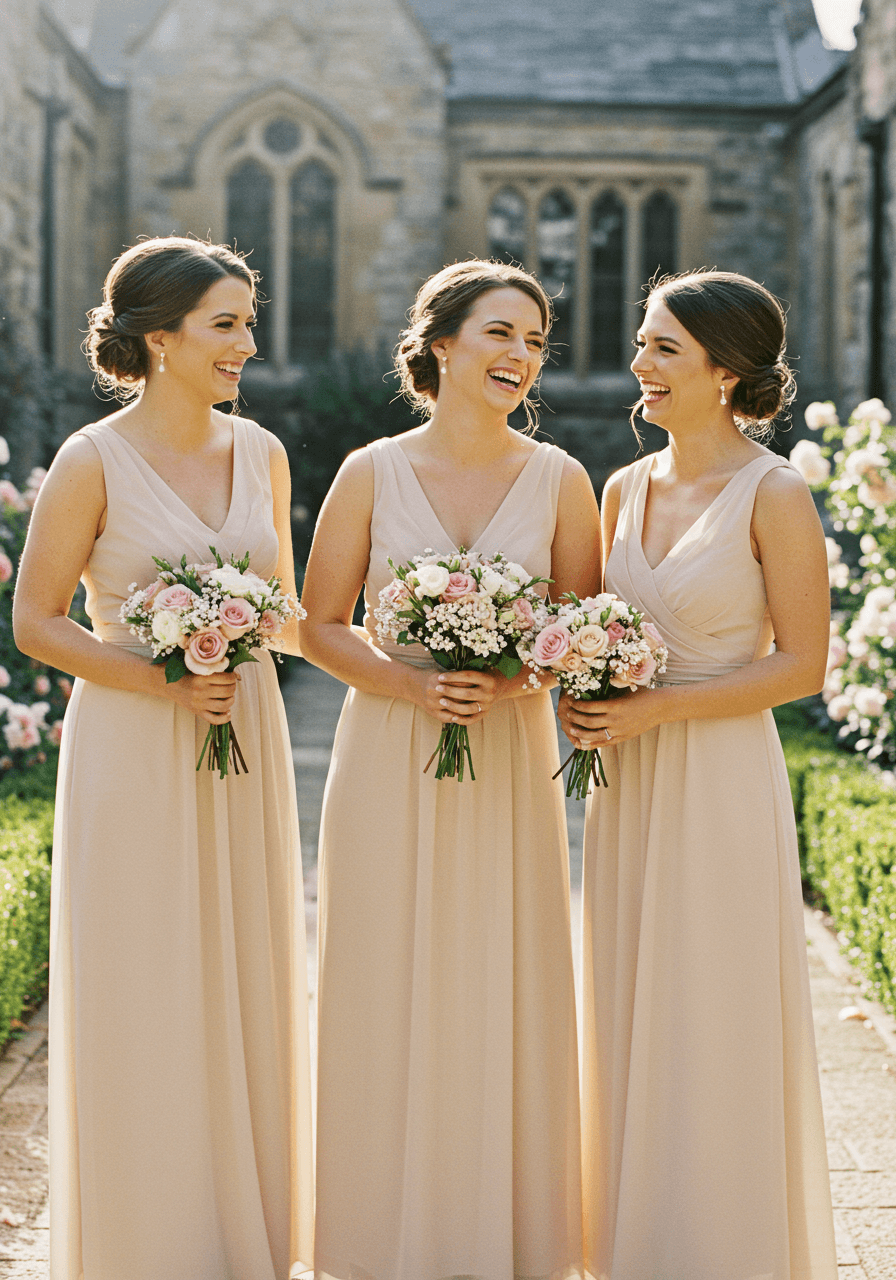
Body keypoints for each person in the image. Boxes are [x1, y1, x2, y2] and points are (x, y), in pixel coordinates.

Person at [13, 237, 313, 1280]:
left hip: (246, 737)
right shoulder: (92, 460)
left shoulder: (263, 453)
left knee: (244, 965)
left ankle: (243, 1234)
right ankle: (143, 1240)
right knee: (144, 974)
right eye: (226, 322)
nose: (248, 342)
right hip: (137, 740)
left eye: (245, 319)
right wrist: (161, 679)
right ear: (159, 338)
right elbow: (37, 622)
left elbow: (288, 618)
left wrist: (436, 656)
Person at [299, 259, 601, 1280]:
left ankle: (501, 1226)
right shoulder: (368, 470)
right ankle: (376, 1232)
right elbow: (317, 624)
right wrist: (407, 684)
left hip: (505, 756)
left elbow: (575, 630)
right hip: (386, 750)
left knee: (499, 964)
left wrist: (510, 681)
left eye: (533, 339)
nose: (520, 355)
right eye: (498, 333)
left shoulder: (561, 476)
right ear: (438, 343)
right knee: (381, 967)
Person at [559, 270, 838, 1279]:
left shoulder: (775, 492)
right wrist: (576, 690)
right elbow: (591, 629)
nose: (637, 363)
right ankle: (636, 1239)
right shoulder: (620, 488)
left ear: (724, 370)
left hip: (718, 775)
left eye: (661, 347)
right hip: (628, 782)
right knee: (630, 992)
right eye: (640, 342)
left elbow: (799, 663)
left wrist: (655, 707)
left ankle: (722, 1245)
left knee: (710, 998)